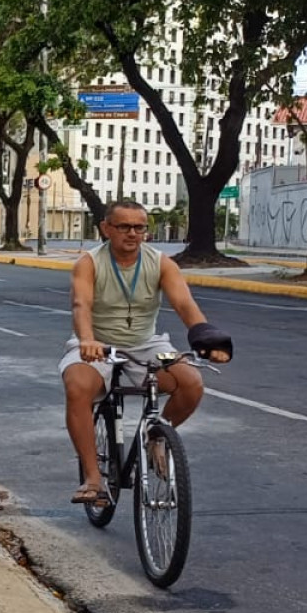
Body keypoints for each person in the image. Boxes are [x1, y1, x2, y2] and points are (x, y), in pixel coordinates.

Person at [64, 200, 232, 504]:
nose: (132, 233)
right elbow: (81, 305)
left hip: (145, 343)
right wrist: (87, 340)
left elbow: (185, 305)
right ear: (106, 228)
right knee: (77, 385)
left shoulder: (161, 263)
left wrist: (208, 341)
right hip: (96, 342)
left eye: (139, 227)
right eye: (124, 226)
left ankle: (155, 437)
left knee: (191, 383)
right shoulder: (89, 263)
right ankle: (93, 478)